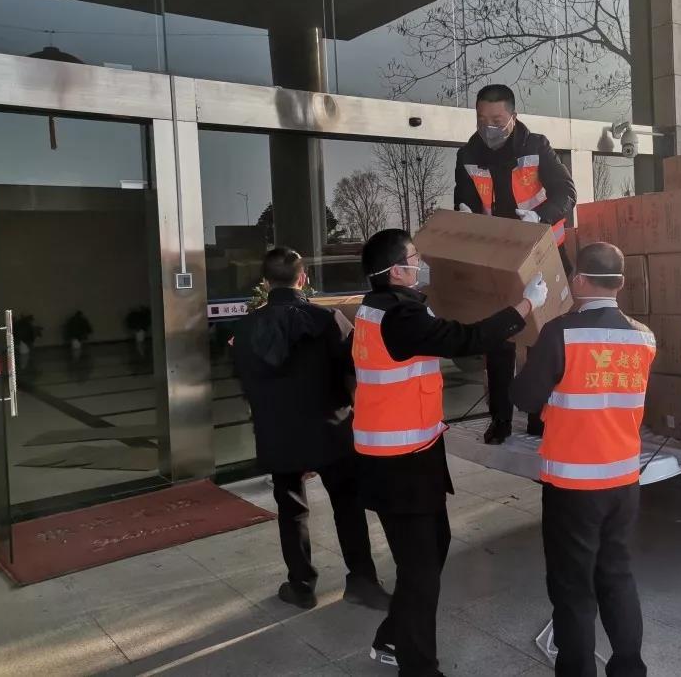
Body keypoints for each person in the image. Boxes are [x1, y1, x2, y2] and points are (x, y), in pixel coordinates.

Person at [355, 228, 548, 677]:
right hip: (400, 462)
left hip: (408, 453)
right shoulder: (399, 316)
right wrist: (526, 305)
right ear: (395, 271)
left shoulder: (380, 307)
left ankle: (393, 636)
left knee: (432, 548)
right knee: (420, 569)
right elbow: (465, 340)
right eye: (413, 257)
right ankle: (418, 667)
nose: (420, 263)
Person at [510, 242, 655, 677]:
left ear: (578, 280)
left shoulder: (560, 333)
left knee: (573, 589)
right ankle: (629, 669)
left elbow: (525, 398)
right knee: (617, 576)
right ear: (620, 284)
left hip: (573, 486)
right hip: (624, 481)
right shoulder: (644, 337)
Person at [231, 247, 389, 611]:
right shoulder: (328, 319)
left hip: (277, 433)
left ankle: (301, 585)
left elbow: (244, 380)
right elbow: (357, 366)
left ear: (266, 282)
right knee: (347, 505)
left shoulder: (244, 328)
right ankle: (362, 581)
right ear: (302, 278)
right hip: (330, 428)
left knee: (291, 509)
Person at [454, 83, 576, 445]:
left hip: (541, 254)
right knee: (499, 340)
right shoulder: (467, 153)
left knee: (542, 340)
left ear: (513, 116)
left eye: (496, 119)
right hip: (497, 259)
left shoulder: (536, 146)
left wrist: (539, 217)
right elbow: (464, 196)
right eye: (482, 119)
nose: (488, 126)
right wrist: (464, 212)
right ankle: (501, 419)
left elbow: (566, 192)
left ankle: (539, 417)